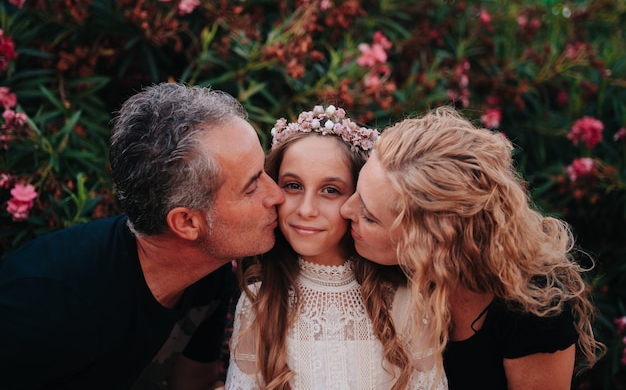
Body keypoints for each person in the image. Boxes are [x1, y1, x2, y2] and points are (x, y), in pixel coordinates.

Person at [0, 82, 285, 390]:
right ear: (187, 222)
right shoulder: (44, 310)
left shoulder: (209, 271)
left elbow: (193, 383)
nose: (277, 195)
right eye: (252, 185)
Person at [340, 106, 605, 390]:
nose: (345, 210)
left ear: (431, 242)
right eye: (356, 190)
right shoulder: (367, 265)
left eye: (369, 216)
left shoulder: (533, 312)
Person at [224, 105, 447, 390]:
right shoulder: (259, 300)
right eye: (293, 185)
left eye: (330, 190)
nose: (306, 210)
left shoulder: (404, 302)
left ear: (358, 196)